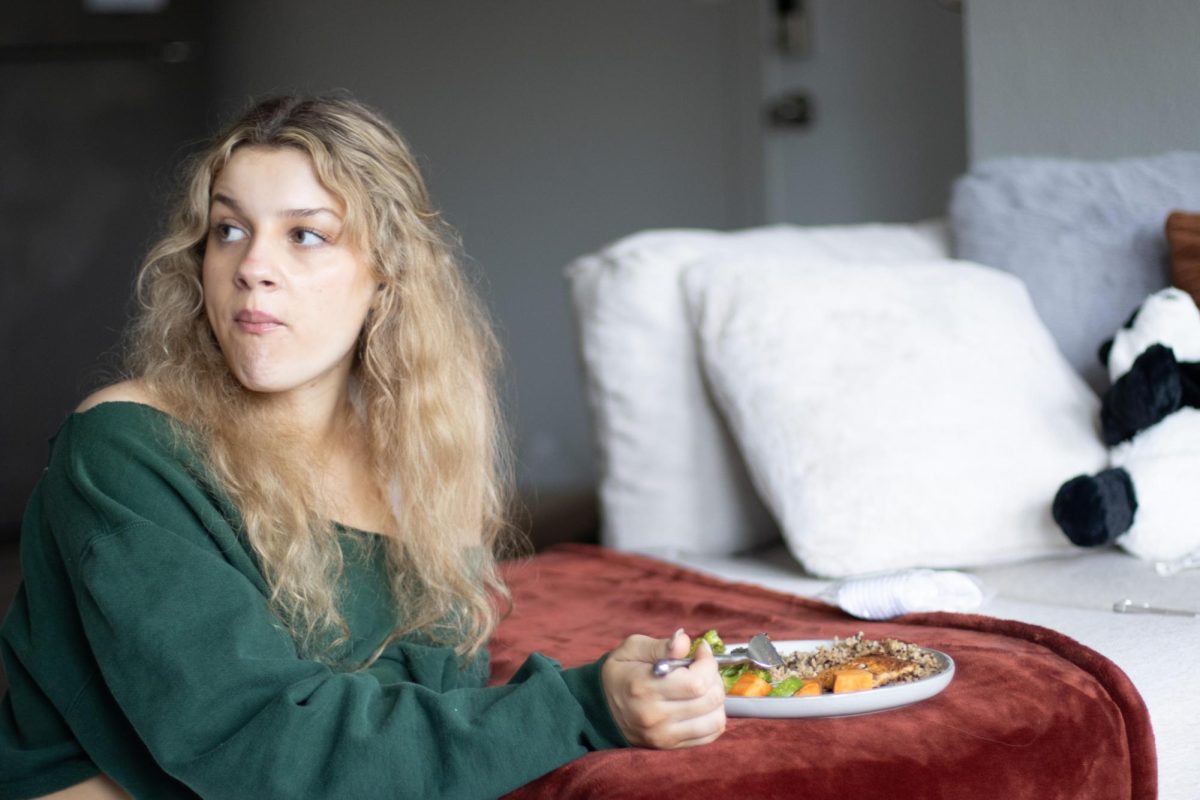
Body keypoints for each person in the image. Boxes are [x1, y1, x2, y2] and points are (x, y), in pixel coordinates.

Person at [0, 94, 725, 800]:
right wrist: (582, 706)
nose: (253, 265)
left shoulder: (415, 460)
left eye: (304, 235)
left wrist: (626, 686)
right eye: (229, 230)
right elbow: (258, 746)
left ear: (384, 276)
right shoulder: (126, 446)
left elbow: (431, 698)